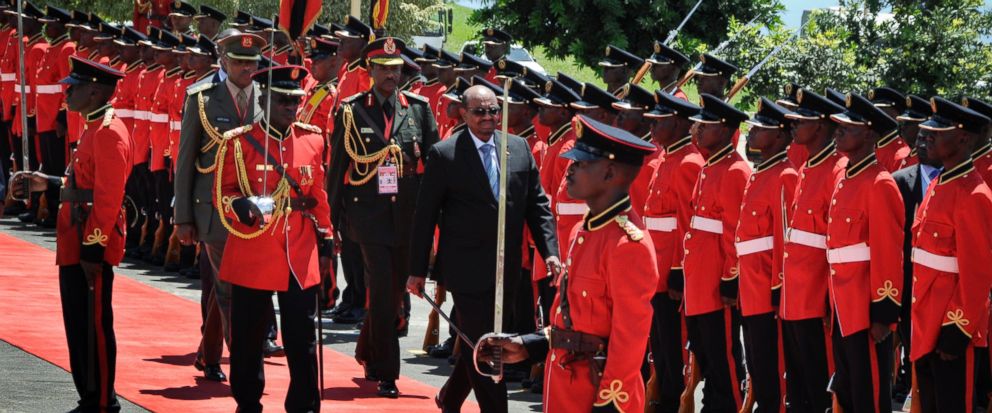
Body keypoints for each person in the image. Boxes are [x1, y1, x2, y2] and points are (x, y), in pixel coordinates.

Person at [478, 114, 659, 412]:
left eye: (581, 163)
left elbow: (630, 338)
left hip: (597, 392)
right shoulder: (583, 230)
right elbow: (571, 317)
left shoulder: (628, 245)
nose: (569, 171)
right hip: (565, 383)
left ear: (610, 172)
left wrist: (610, 401)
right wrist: (529, 344)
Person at [406, 83, 560, 412]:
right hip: (465, 270)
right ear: (463, 113)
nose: (488, 117)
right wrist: (417, 270)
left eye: (493, 110)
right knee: (490, 347)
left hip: (508, 269)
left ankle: (449, 397)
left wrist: (550, 251)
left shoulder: (518, 149)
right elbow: (425, 215)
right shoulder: (445, 153)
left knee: (480, 341)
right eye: (479, 111)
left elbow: (538, 206)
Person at [13, 56, 131, 413]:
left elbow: (108, 200)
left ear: (94, 92)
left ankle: (101, 402)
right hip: (73, 237)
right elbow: (81, 182)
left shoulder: (109, 132)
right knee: (78, 325)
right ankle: (89, 397)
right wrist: (45, 181)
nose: (67, 92)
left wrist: (92, 250)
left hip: (89, 241)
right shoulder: (93, 126)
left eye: (74, 87)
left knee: (93, 327)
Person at [214, 64, 332, 413]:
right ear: (264, 98)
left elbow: (318, 195)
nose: (290, 107)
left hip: (299, 249)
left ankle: (304, 404)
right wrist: (242, 205)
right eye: (282, 100)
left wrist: (327, 241)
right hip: (255, 247)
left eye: (294, 101)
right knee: (249, 337)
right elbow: (224, 193)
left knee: (302, 338)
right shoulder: (239, 142)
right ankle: (248, 403)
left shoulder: (312, 139)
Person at [327, 36, 440, 398]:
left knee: (393, 295)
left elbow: (434, 168)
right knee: (380, 288)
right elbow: (337, 170)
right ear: (370, 71)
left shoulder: (419, 109)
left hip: (407, 215)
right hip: (367, 215)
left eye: (396, 69)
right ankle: (388, 372)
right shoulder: (351, 109)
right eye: (384, 69)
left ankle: (366, 350)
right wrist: (330, 222)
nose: (392, 75)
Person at [173, 31, 266, 382]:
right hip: (212, 211)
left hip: (253, 211)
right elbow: (185, 161)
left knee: (225, 285)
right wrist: (182, 217)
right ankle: (245, 368)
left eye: (252, 62)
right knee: (230, 286)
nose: (247, 68)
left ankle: (209, 355)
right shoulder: (202, 98)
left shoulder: (264, 97)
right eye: (240, 62)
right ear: (223, 61)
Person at [910, 97, 992, 413]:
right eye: (927, 131)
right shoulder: (940, 182)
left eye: (937, 133)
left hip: (951, 325)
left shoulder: (975, 194)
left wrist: (957, 329)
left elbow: (977, 273)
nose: (927, 137)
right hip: (927, 316)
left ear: (963, 138)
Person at [826, 93, 904, 413]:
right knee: (847, 388)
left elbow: (887, 252)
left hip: (864, 308)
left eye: (848, 127)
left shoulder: (880, 183)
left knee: (868, 393)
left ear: (870, 135)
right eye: (839, 126)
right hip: (842, 302)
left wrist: (883, 313)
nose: (838, 131)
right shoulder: (845, 177)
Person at [779, 88, 847, 413]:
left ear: (820, 125)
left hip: (816, 296)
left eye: (801, 120)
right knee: (799, 387)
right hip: (794, 294)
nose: (793, 125)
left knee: (819, 386)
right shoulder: (807, 167)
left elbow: (834, 243)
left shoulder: (837, 170)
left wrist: (825, 297)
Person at [682, 93, 750, 411]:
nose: (696, 130)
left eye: (703, 125)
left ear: (723, 130)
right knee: (706, 353)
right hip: (698, 278)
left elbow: (735, 232)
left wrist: (730, 279)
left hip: (714, 282)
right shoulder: (710, 166)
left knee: (723, 357)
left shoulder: (735, 170)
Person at [641, 90, 704, 413]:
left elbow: (685, 223)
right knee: (659, 344)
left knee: (673, 344)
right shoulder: (667, 157)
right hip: (655, 268)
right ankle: (662, 394)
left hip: (670, 273)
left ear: (679, 123)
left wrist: (678, 270)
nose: (651, 127)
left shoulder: (689, 162)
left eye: (659, 121)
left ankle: (672, 398)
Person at [735, 98, 798, 412]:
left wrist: (778, 288)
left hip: (766, 287)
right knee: (758, 363)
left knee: (771, 366)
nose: (752, 133)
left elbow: (783, 241)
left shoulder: (785, 176)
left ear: (781, 137)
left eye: (760, 129)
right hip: (749, 283)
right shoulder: (759, 173)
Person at [889, 93, 935, 402]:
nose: (917, 142)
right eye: (916, 136)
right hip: (906, 275)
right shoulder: (900, 179)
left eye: (925, 137)